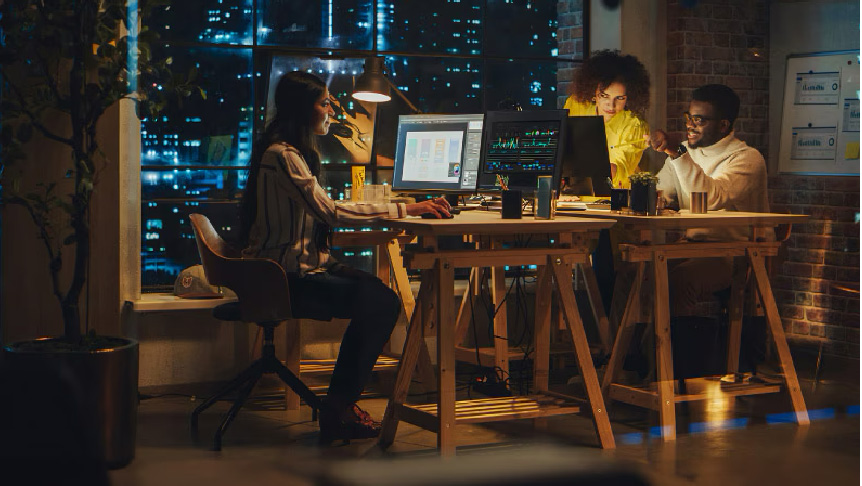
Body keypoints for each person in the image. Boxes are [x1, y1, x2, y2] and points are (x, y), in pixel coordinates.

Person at [239, 71, 450, 444]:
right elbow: (330, 212)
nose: (330, 112)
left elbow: (323, 209)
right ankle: (338, 408)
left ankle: (339, 406)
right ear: (305, 111)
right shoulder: (283, 156)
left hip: (293, 268)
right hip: (284, 278)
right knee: (382, 302)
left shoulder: (284, 153)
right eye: (324, 104)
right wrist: (409, 209)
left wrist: (400, 208)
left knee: (379, 296)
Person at [650, 84, 769, 317]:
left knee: (681, 280)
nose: (689, 126)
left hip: (732, 253)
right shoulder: (687, 152)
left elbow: (712, 199)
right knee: (635, 272)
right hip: (690, 246)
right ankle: (633, 352)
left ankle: (672, 353)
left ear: (723, 125)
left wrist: (677, 153)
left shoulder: (746, 159)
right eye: (689, 117)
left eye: (699, 120)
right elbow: (660, 191)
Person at [564, 49, 651, 189]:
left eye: (620, 98)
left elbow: (621, 167)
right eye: (605, 96)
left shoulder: (634, 125)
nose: (611, 105)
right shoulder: (576, 105)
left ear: (630, 98)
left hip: (613, 198)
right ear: (593, 91)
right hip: (572, 197)